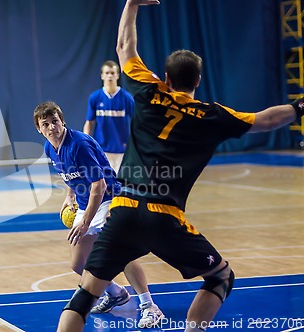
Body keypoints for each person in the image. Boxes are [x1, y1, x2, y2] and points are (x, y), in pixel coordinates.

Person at [57, 1, 304, 331]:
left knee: (86, 294)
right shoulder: (212, 115)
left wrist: (131, 4)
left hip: (124, 208)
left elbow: (123, 46)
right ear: (198, 79)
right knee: (220, 277)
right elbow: (267, 119)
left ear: (167, 77)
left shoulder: (147, 90)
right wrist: (301, 106)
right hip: (164, 217)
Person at [34, 101, 164, 328]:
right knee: (78, 263)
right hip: (86, 202)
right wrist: (70, 196)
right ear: (39, 129)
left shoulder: (79, 145)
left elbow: (99, 186)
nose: (52, 127)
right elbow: (70, 175)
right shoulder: (49, 147)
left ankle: (148, 305)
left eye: (55, 121)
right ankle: (115, 293)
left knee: (120, 252)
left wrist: (85, 221)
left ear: (62, 120)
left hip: (109, 199)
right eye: (46, 124)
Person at [83, 60, 135, 172]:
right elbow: (90, 122)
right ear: (102, 76)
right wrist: (85, 142)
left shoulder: (126, 98)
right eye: (107, 73)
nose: (110, 76)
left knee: (120, 182)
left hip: (121, 148)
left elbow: (136, 121)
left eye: (112, 73)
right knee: (103, 183)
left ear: (117, 75)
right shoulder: (95, 97)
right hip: (101, 148)